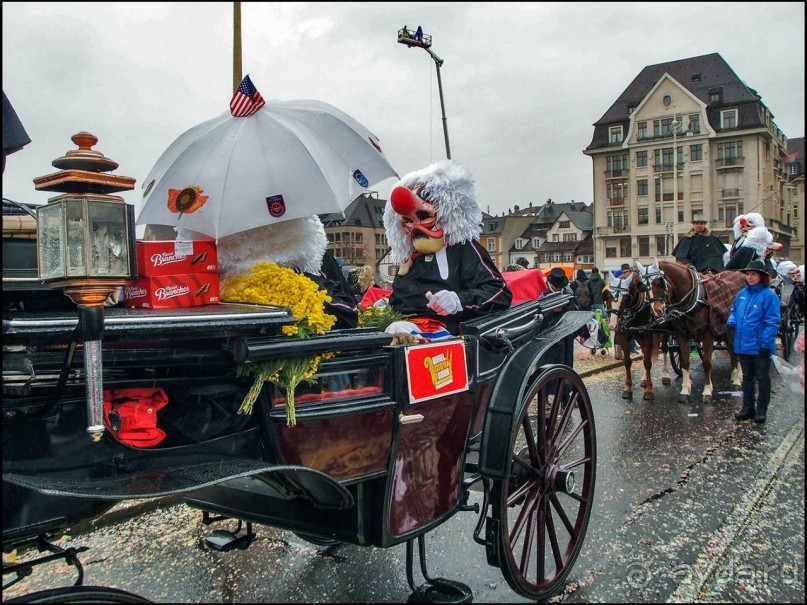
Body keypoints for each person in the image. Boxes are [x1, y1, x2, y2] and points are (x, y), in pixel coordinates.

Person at [382, 160, 512, 338]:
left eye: (423, 216)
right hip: (402, 331)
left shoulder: (463, 248)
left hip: (449, 335)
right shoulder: (410, 257)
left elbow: (499, 292)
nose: (416, 228)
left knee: (399, 331)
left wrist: (458, 301)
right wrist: (385, 306)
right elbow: (401, 302)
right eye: (409, 221)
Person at [726, 259, 780, 424]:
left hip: (759, 346)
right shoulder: (742, 294)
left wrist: (765, 343)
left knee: (762, 379)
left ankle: (761, 410)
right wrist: (732, 319)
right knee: (747, 378)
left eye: (753, 274)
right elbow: (734, 311)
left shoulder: (769, 296)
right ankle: (748, 408)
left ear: (761, 276)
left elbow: (772, 321)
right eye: (748, 274)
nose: (750, 277)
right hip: (743, 344)